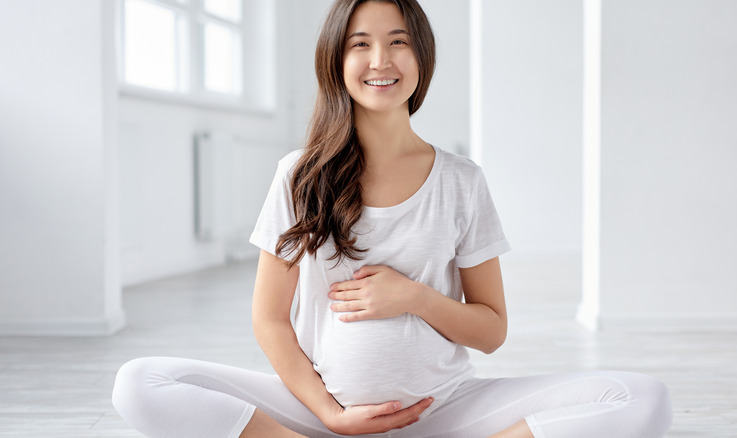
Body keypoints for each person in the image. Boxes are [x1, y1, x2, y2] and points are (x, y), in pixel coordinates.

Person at [112, 0, 673, 437]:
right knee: (140, 384)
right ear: (336, 60)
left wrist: (413, 298)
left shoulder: (461, 180)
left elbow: (492, 330)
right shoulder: (298, 175)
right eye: (361, 44)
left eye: (398, 43)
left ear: (421, 59)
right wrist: (330, 415)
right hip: (321, 411)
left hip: (445, 411)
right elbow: (271, 321)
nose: (380, 60)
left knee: (643, 400)